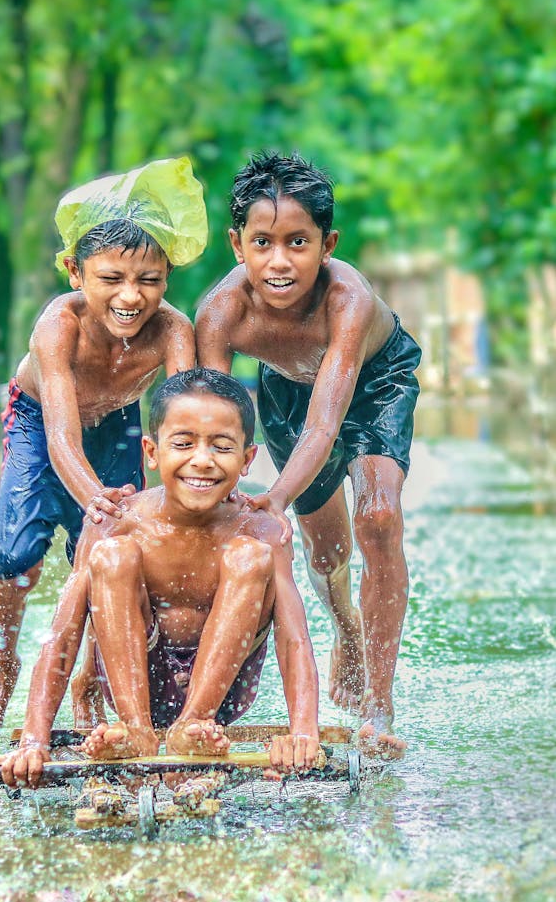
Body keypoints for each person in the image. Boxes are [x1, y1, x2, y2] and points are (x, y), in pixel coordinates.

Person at [0, 157, 208, 747]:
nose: (131, 297)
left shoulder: (173, 332)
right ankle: (0, 669)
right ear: (76, 273)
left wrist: (175, 504)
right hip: (39, 420)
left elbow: (185, 422)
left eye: (148, 280)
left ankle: (92, 681)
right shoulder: (60, 327)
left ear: (167, 277)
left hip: (119, 420)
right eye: (111, 279)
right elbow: (61, 439)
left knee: (111, 553)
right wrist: (98, 499)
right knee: (19, 555)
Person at [0, 368, 320, 788]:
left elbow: (293, 637)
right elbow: (63, 635)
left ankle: (195, 722)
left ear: (247, 459)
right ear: (152, 452)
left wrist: (303, 732)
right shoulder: (114, 521)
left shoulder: (263, 529)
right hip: (136, 683)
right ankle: (136, 730)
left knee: (251, 557)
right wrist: (34, 738)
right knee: (114, 555)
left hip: (224, 693)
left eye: (221, 447)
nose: (202, 460)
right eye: (183, 444)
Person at [195, 152, 421, 758]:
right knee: (327, 551)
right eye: (263, 242)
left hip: (375, 380)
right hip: (284, 391)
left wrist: (274, 497)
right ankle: (345, 625)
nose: (279, 260)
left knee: (377, 518)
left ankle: (379, 701)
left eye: (298, 242)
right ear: (237, 244)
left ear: (327, 244)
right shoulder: (221, 313)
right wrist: (210, 508)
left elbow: (328, 421)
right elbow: (209, 420)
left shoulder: (346, 299)